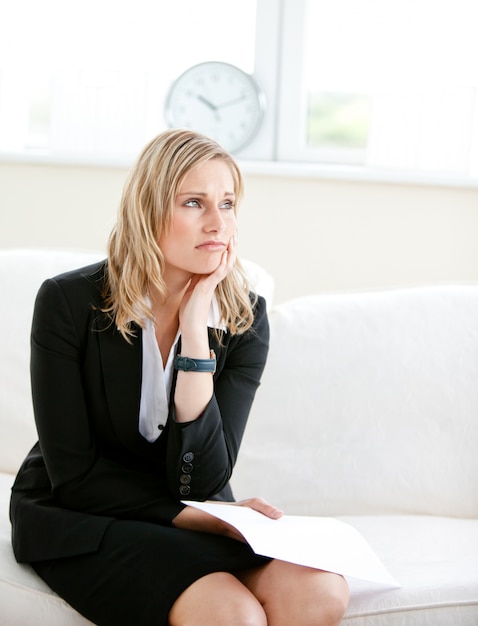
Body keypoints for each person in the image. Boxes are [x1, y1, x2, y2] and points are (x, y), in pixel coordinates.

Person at [10, 129, 349, 626]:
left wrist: (195, 338)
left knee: (319, 592)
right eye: (194, 202)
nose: (218, 223)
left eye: (228, 203)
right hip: (84, 514)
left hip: (188, 507)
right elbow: (77, 479)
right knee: (231, 614)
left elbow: (208, 481)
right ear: (148, 211)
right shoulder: (68, 303)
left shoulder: (244, 319)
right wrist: (211, 521)